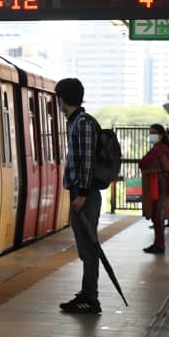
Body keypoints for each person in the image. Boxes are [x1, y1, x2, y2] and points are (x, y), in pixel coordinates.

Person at [55, 78, 103, 315]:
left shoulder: (82, 123)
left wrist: (82, 193)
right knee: (85, 247)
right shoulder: (76, 122)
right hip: (81, 192)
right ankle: (86, 294)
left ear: (62, 99)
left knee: (89, 248)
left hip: (85, 194)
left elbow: (86, 161)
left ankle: (90, 298)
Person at [139, 123, 169, 254]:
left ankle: (160, 245)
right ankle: (157, 243)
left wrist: (153, 171)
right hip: (154, 185)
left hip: (159, 185)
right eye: (150, 133)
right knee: (155, 215)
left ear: (161, 135)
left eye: (154, 133)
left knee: (158, 215)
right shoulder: (157, 148)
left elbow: (167, 167)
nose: (151, 135)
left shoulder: (161, 149)